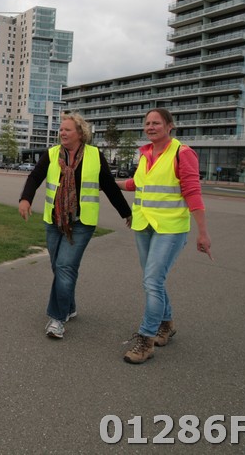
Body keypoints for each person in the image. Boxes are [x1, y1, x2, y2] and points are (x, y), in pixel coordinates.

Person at [19, 112, 132, 339]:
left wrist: (125, 212)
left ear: (80, 133)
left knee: (65, 266)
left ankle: (57, 319)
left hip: (81, 222)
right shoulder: (52, 154)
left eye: (67, 129)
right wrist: (25, 199)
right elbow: (34, 177)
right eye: (61, 129)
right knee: (59, 267)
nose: (62, 133)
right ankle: (69, 306)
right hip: (54, 220)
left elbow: (109, 185)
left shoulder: (94, 155)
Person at [117, 108, 212, 364]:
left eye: (156, 123)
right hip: (144, 225)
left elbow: (192, 192)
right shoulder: (145, 153)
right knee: (154, 281)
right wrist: (108, 184)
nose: (150, 127)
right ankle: (166, 324)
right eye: (147, 123)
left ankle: (146, 340)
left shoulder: (183, 153)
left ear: (169, 126)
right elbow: (137, 184)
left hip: (170, 228)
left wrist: (203, 233)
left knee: (152, 281)